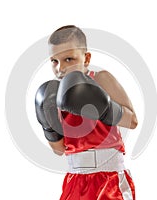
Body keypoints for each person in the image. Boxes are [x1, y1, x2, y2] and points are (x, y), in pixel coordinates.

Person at [35, 25, 138, 200]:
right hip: (75, 179)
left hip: (109, 179)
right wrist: (48, 126)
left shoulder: (101, 79)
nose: (60, 68)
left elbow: (133, 121)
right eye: (54, 61)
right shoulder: (54, 95)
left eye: (69, 59)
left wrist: (105, 109)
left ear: (86, 58)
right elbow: (59, 149)